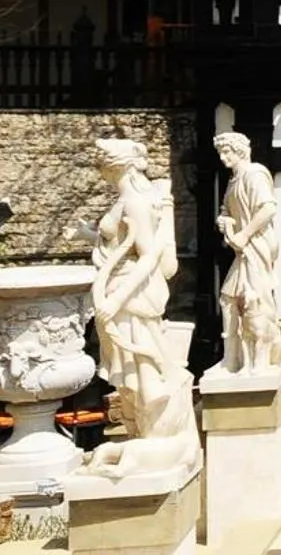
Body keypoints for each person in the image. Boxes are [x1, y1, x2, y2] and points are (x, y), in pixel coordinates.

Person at [83, 137, 197, 473]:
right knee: (131, 370)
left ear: (115, 164)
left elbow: (148, 257)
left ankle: (155, 437)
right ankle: (144, 434)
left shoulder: (134, 201)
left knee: (143, 366)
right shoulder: (129, 198)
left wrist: (117, 297)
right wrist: (88, 237)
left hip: (131, 296)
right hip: (120, 292)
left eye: (101, 160)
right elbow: (122, 244)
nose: (99, 166)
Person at [214, 131, 281, 371]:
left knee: (256, 300)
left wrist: (244, 234)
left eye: (227, 152)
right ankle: (231, 358)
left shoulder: (254, 174)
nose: (223, 158)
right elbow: (226, 210)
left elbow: (267, 209)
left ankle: (260, 358)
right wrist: (224, 220)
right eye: (221, 153)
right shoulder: (234, 180)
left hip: (256, 246)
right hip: (242, 250)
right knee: (228, 298)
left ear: (240, 151)